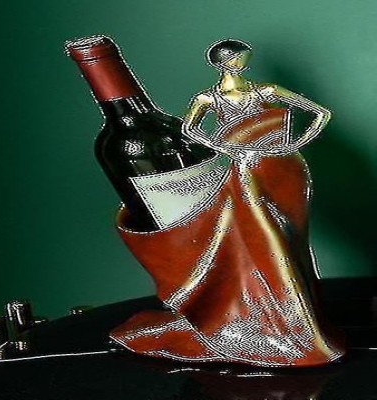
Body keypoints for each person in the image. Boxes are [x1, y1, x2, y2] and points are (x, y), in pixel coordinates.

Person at [110, 39, 346, 367]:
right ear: (223, 62)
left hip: (284, 169)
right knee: (263, 236)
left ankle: (304, 317)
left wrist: (293, 143)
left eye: (241, 58)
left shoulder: (266, 90)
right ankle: (287, 326)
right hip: (246, 170)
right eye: (235, 59)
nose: (238, 63)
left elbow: (321, 113)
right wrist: (225, 147)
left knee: (292, 238)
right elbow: (190, 130)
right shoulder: (208, 98)